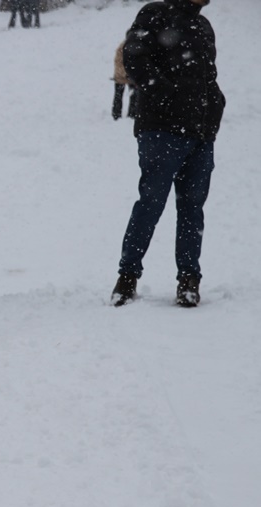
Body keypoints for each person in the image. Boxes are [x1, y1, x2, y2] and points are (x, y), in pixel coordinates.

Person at [111, 0, 225, 308]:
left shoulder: (202, 26)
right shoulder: (155, 13)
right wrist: (167, 95)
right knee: (151, 203)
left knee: (192, 209)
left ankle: (189, 281)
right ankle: (127, 278)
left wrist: (214, 108)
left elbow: (208, 77)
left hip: (200, 134)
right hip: (162, 131)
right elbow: (134, 59)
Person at [111, 40, 137, 121]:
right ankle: (131, 114)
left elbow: (118, 62)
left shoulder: (123, 46)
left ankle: (116, 114)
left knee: (118, 95)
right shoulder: (132, 47)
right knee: (133, 96)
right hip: (128, 76)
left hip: (121, 75)